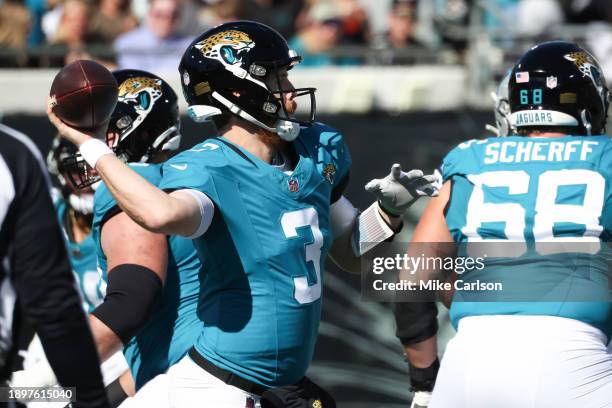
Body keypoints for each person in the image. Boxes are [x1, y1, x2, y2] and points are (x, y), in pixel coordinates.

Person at [49, 21, 440, 406]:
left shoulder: (316, 150)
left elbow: (349, 254)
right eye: (278, 79)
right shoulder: (209, 168)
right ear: (241, 90)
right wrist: (92, 147)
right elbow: (161, 215)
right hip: (215, 387)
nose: (289, 92)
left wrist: (387, 213)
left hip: (280, 386)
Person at [406, 40, 611, 407]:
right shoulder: (606, 160)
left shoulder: (470, 158)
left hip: (468, 365)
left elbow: (414, 277)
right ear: (589, 104)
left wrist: (424, 380)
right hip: (574, 363)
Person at [0, 122, 109, 408]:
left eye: (95, 170)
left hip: (114, 353)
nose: (88, 183)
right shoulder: (45, 207)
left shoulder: (127, 220)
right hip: (64, 351)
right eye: (77, 172)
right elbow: (51, 306)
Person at [114, 0, 192, 72]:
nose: (166, 20)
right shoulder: (127, 43)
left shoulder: (189, 45)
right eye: (159, 14)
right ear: (148, 14)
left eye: (173, 15)